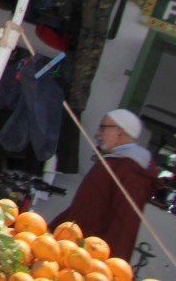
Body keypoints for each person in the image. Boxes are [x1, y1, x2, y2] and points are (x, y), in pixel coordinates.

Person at [49, 109, 159, 261]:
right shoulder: (117, 162)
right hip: (72, 244)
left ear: (120, 132)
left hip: (90, 255)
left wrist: (109, 263)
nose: (98, 134)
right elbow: (85, 205)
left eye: (103, 128)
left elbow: (124, 224)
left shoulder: (132, 172)